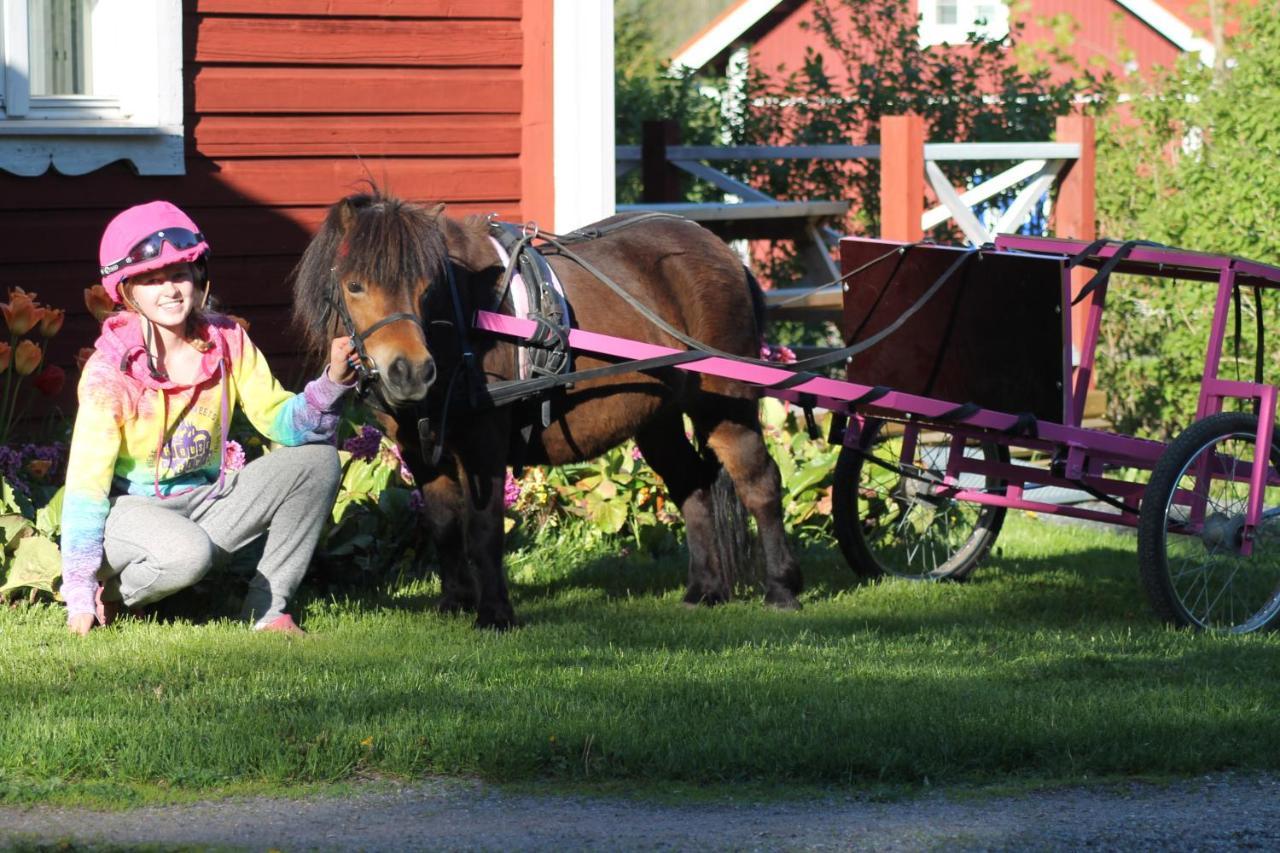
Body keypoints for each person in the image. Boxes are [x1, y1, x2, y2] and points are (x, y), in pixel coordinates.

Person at [62, 200, 359, 637]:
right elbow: (86, 489)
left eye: (179, 274)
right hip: (132, 510)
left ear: (198, 277)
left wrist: (333, 380)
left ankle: (266, 610)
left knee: (317, 461)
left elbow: (283, 422)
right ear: (126, 291)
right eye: (152, 279)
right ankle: (114, 596)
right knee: (188, 554)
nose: (170, 290)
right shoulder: (111, 372)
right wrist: (79, 591)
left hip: (208, 500)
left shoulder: (227, 340)